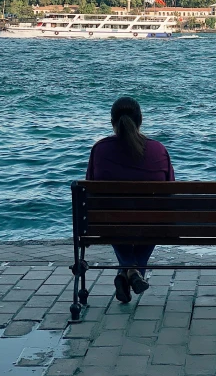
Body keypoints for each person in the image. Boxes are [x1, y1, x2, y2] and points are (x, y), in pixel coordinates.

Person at [86, 96, 175, 303]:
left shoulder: (100, 149)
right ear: (140, 120)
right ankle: (134, 271)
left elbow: (90, 190)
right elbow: (170, 192)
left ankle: (127, 270)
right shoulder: (158, 149)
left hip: (109, 223)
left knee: (113, 218)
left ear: (112, 122)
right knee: (156, 220)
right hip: (152, 224)